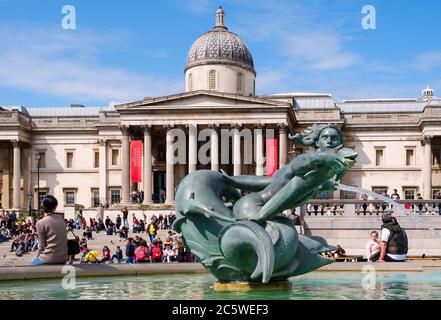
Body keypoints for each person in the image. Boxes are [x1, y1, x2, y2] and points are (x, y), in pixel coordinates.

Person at [31, 196, 68, 265]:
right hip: (63, 258)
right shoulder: (61, 219)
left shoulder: (40, 223)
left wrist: (37, 256)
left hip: (49, 258)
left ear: (43, 207)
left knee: (31, 267)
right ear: (55, 207)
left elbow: (42, 245)